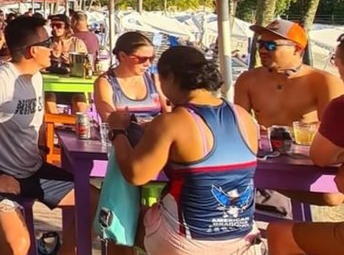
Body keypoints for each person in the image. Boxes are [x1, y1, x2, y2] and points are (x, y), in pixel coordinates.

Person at [107, 46, 263, 255]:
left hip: (188, 243)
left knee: (117, 219)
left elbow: (136, 175)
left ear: (169, 78)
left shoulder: (171, 122)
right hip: (243, 241)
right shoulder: (243, 116)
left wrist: (118, 131)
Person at [0, 16, 78, 255]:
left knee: (95, 202)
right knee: (17, 244)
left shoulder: (36, 77)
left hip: (32, 169)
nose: (54, 46)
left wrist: (41, 149)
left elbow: (37, 122)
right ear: (33, 51)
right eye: (48, 42)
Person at [234, 19, 344, 208]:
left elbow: (334, 132)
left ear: (297, 49)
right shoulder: (248, 80)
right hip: (268, 158)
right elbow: (240, 123)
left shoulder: (323, 81)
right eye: (260, 43)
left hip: (310, 161)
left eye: (271, 45)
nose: (263, 50)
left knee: (331, 197)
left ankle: (268, 186)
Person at [266, 35, 344, 255]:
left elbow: (321, 157)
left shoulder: (339, 105)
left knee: (279, 233)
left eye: (335, 59)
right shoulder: (250, 80)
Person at [93, 31, 166, 122]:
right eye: (142, 59)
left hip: (156, 130)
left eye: (151, 59)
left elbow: (169, 114)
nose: (148, 64)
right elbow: (110, 119)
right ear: (123, 56)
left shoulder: (154, 79)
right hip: (123, 131)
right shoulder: (106, 82)